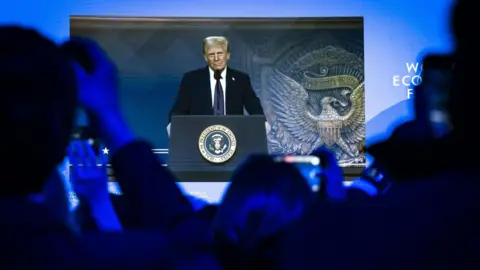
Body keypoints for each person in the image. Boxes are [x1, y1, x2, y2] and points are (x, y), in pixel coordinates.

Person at [167, 36, 269, 136]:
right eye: (211, 54)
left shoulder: (241, 79)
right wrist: (173, 124)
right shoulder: (191, 79)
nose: (216, 58)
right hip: (200, 137)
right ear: (205, 57)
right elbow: (180, 107)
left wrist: (262, 122)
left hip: (233, 137)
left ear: (227, 55)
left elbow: (253, 105)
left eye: (220, 53)